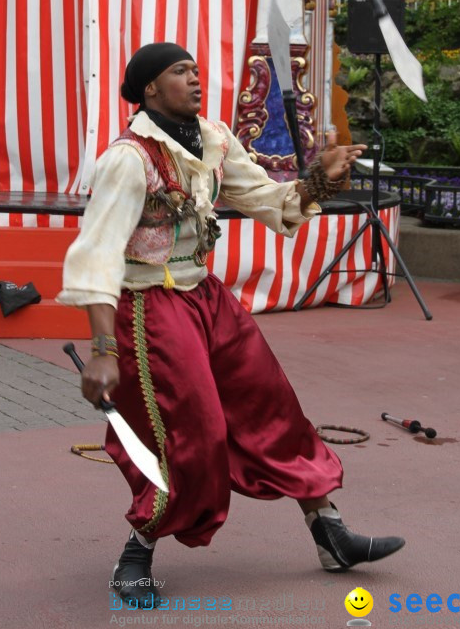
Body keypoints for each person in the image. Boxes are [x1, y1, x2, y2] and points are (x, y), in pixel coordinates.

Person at [58, 42, 405, 607]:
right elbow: (96, 255)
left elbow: (265, 197)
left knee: (272, 406)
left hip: (207, 296)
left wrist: (318, 180)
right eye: (180, 72)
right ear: (150, 90)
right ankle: (137, 552)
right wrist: (102, 349)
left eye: (196, 69)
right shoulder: (128, 158)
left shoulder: (214, 138)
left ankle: (330, 532)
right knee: (194, 435)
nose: (196, 79)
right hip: (150, 304)